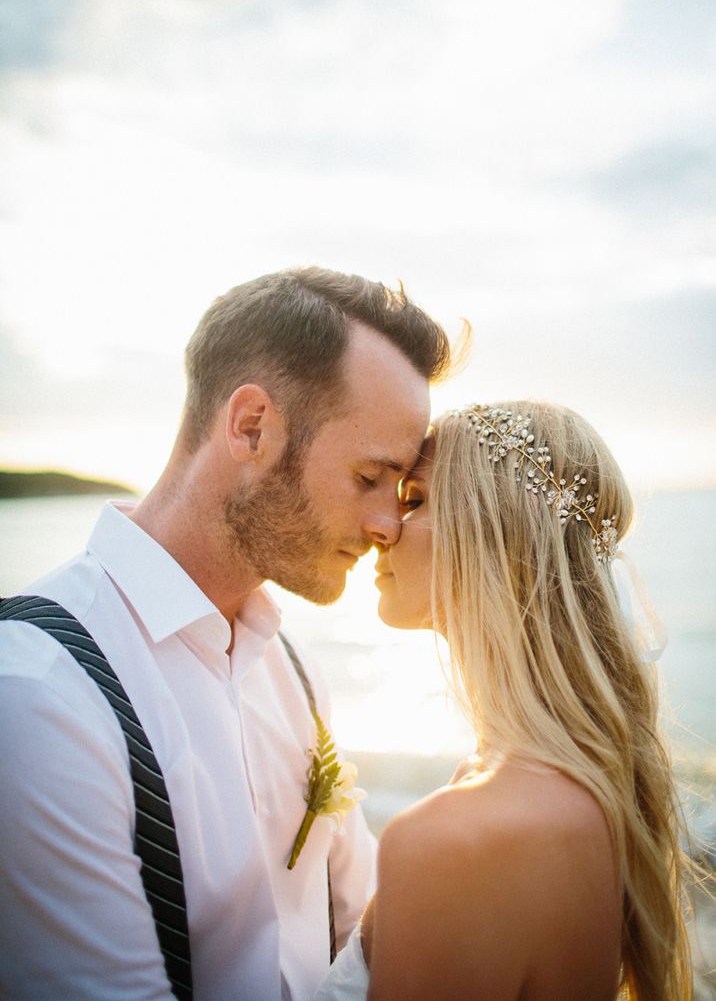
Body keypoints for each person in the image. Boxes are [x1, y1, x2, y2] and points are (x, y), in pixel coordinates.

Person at [0, 267, 454, 1000]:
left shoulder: (292, 670)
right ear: (252, 428)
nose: (385, 525)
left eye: (399, 491)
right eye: (370, 476)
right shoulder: (38, 694)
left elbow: (366, 918)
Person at [315, 401, 691, 1001]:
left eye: (413, 500)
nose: (380, 526)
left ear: (492, 536)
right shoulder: (596, 790)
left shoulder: (453, 841)